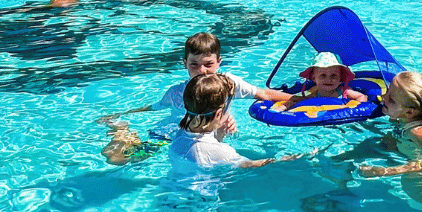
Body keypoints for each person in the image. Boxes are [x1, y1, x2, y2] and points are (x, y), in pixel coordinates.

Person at [98, 32, 291, 165]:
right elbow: (154, 107)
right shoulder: (176, 93)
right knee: (118, 159)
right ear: (185, 63)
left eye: (208, 64)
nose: (201, 71)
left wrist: (302, 99)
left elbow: (263, 93)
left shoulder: (229, 83)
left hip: (211, 133)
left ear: (219, 62)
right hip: (174, 134)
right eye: (194, 65)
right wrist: (123, 114)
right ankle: (121, 130)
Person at [169, 74, 300, 171]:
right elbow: (250, 165)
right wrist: (289, 158)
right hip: (200, 202)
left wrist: (219, 133)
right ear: (219, 114)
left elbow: (205, 152)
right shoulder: (218, 151)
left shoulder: (182, 131)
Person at [359, 71, 422, 178]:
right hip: (400, 145)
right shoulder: (403, 116)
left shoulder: (418, 131)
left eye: (391, 99)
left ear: (409, 112)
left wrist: (385, 171)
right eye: (387, 91)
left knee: (410, 188)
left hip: (417, 174)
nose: (383, 97)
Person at [276, 51, 367, 111]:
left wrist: (352, 107)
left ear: (341, 79)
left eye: (334, 75)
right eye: (323, 75)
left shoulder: (344, 92)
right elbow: (301, 102)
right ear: (314, 79)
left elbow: (362, 97)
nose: (328, 79)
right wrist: (286, 106)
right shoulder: (315, 95)